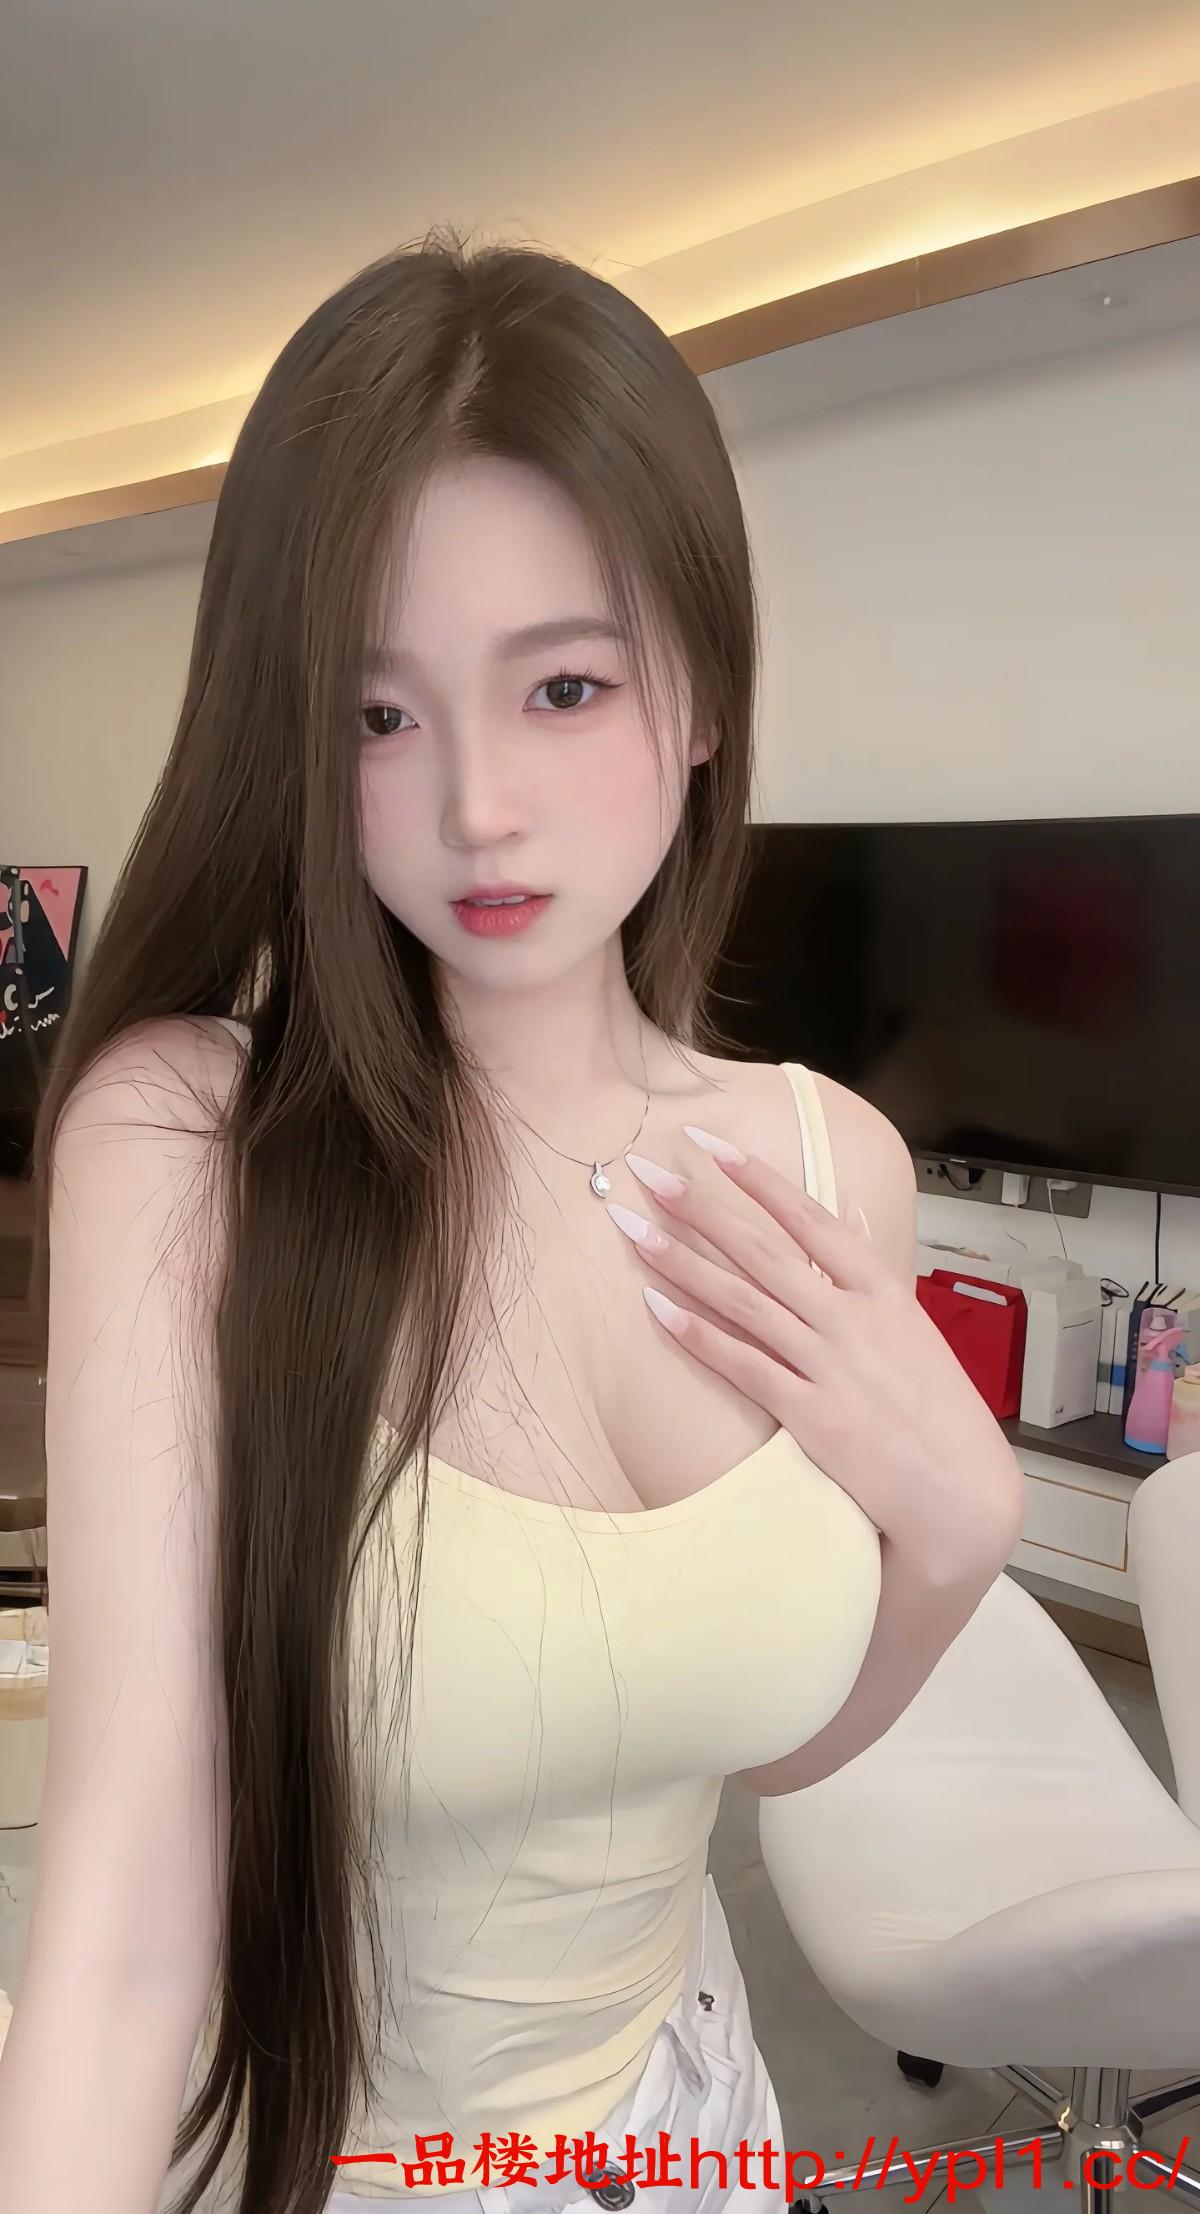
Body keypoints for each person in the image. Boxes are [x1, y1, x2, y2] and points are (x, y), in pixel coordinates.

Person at [0, 230, 1025, 2214]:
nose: (477, 804)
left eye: (563, 685)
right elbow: (120, 1925)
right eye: (378, 716)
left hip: (694, 2125)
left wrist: (961, 1531)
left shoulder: (831, 1168)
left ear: (702, 693)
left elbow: (765, 1746)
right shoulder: (191, 1144)